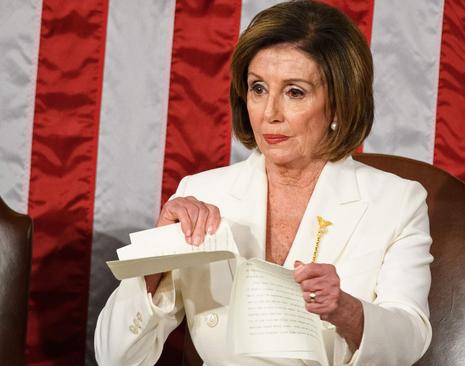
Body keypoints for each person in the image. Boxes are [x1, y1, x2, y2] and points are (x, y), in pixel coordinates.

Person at [94, 1, 432, 365]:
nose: (270, 113)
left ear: (338, 104)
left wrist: (346, 310)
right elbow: (114, 357)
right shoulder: (200, 193)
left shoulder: (397, 202)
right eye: (258, 88)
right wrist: (154, 258)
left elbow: (410, 337)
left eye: (294, 92)